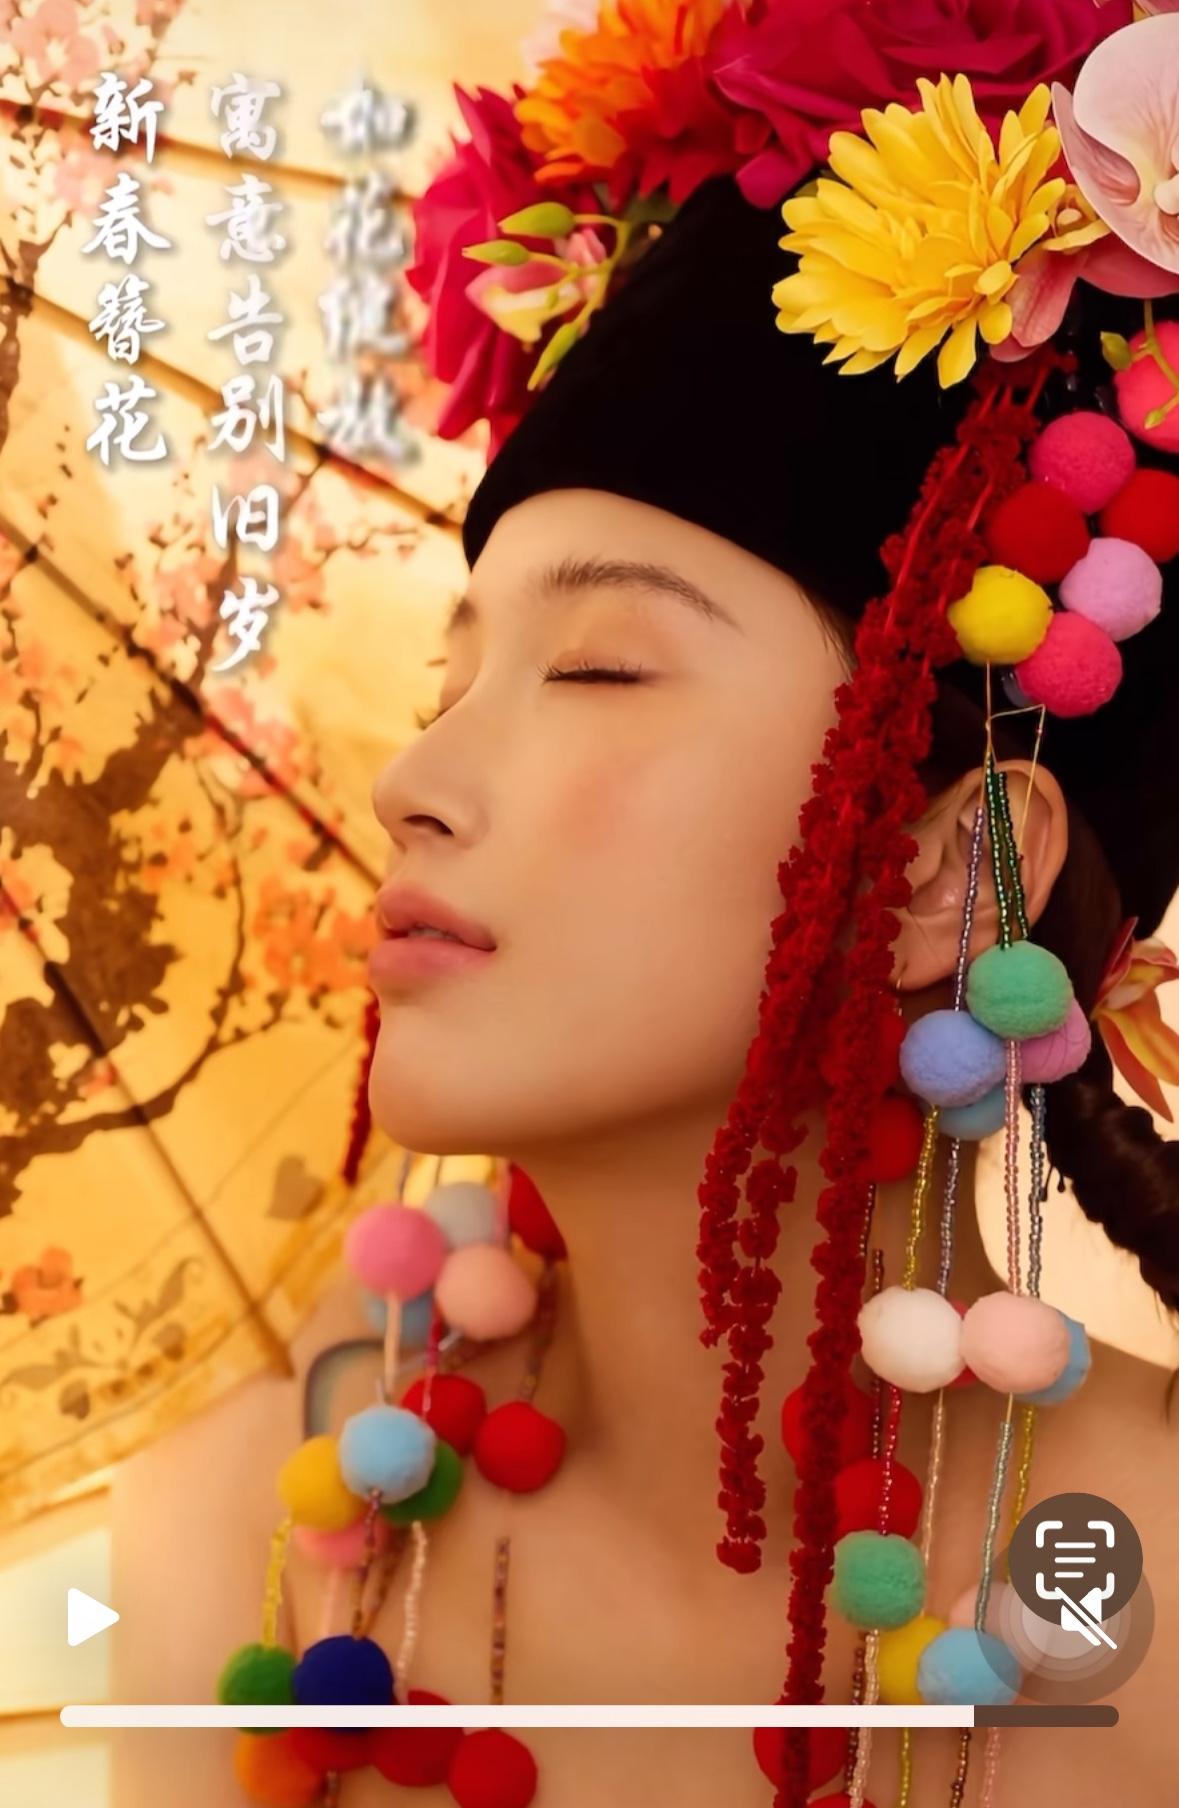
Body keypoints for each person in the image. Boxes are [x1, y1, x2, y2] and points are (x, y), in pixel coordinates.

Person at [111, 28, 1179, 1808]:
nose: (411, 782)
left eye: (598, 667)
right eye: (451, 679)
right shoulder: (250, 1548)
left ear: (949, 870)